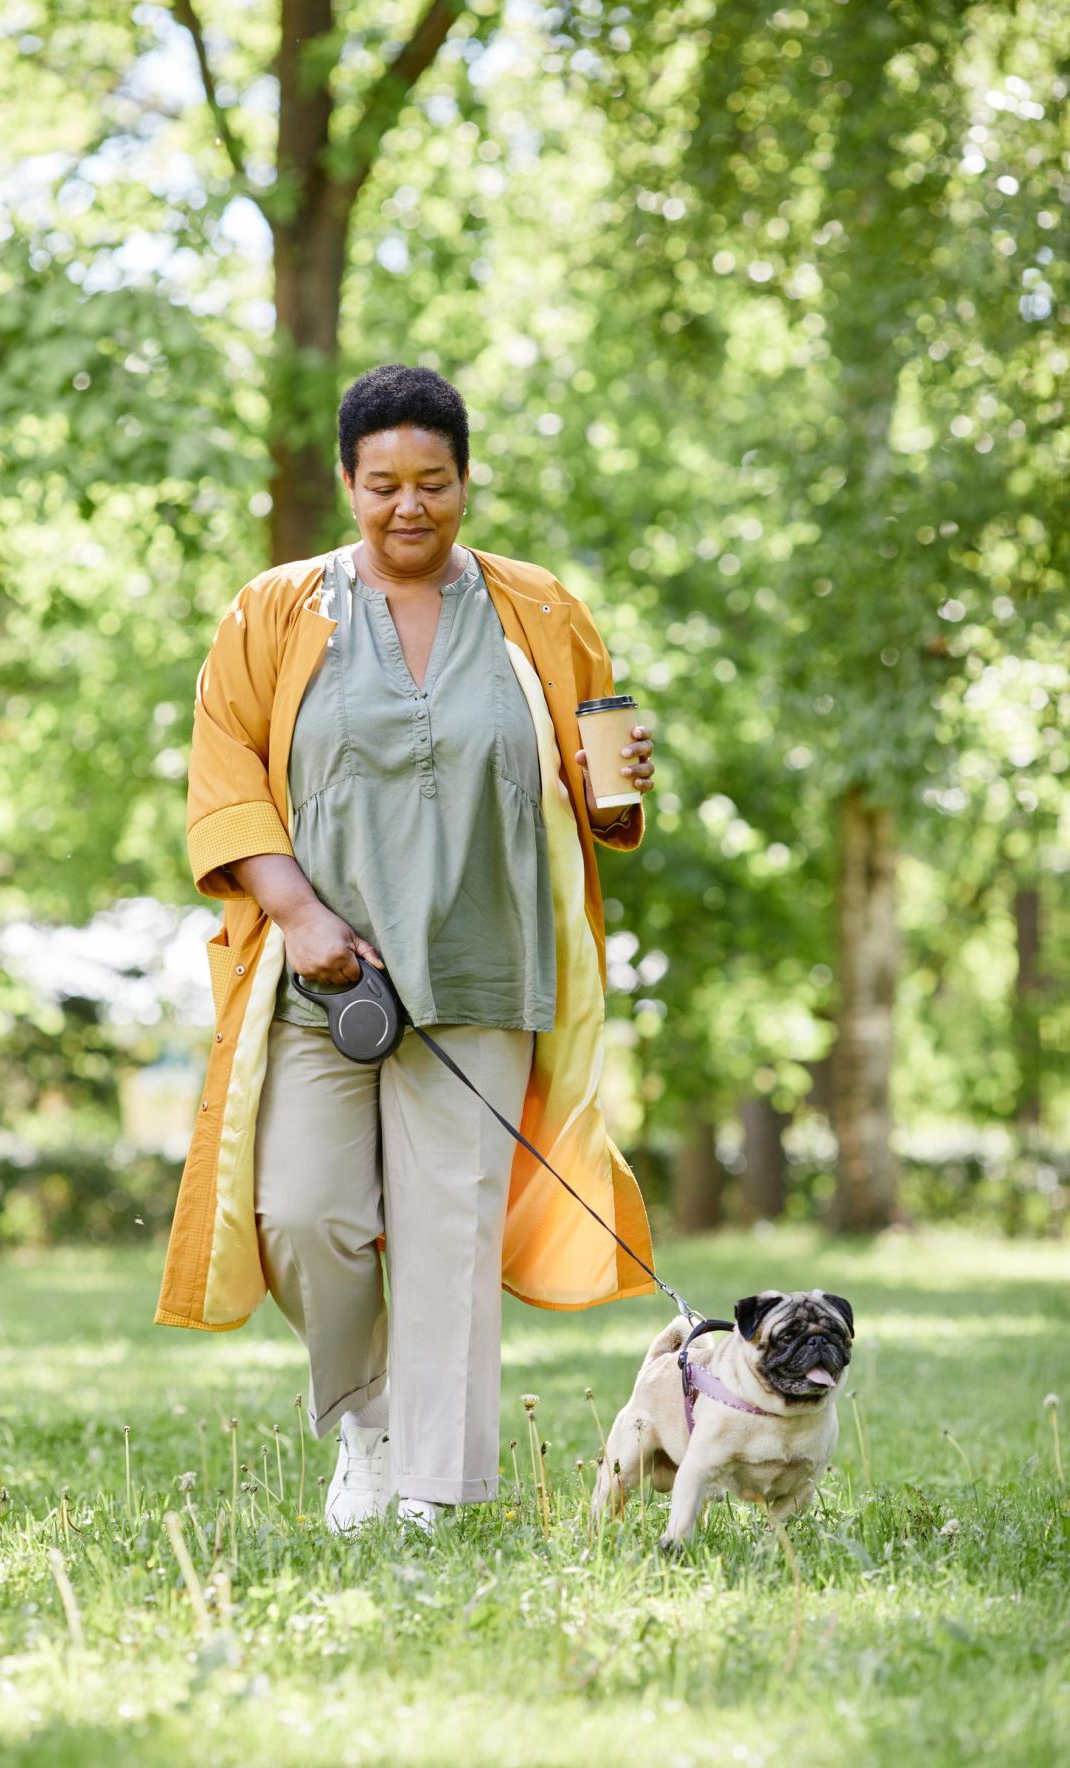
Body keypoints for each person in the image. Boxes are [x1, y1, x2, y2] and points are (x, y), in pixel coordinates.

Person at [154, 364, 657, 1535]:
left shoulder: (540, 610)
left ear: (466, 481)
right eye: (384, 485)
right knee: (301, 1214)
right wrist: (297, 916)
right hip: (322, 982)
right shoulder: (273, 612)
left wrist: (624, 797)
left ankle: (432, 1494)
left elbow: (603, 792)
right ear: (348, 482)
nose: (409, 507)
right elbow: (225, 777)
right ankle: (370, 1425)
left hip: (484, 966)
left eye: (433, 482)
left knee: (449, 1235)